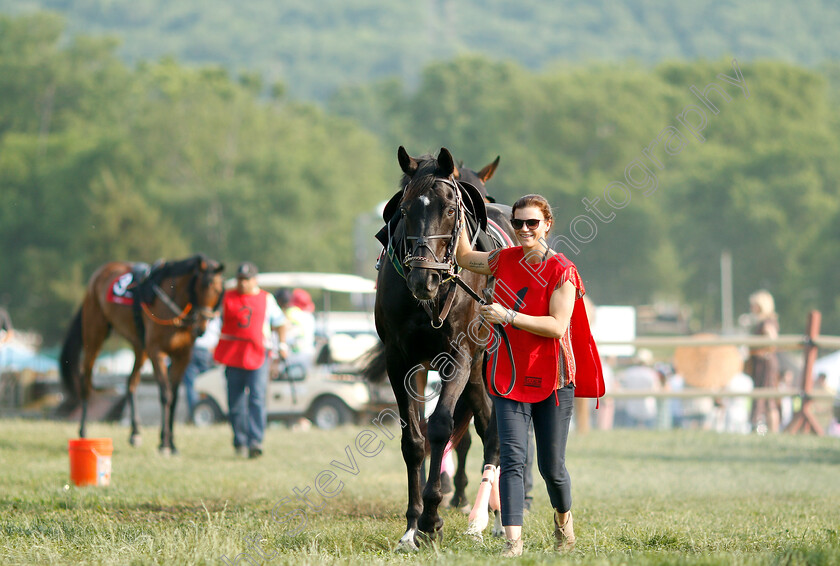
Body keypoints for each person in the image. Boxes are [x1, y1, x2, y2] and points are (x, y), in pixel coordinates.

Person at [456, 193, 603, 557]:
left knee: (552, 468)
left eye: (531, 223)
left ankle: (563, 523)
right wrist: (456, 205)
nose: (523, 229)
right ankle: (513, 543)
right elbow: (462, 257)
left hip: (553, 380)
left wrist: (507, 316)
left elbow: (556, 326)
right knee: (513, 460)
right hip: (509, 378)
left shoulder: (563, 270)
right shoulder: (502, 259)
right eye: (518, 222)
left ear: (547, 225)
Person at [214, 262, 288, 458]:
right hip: (233, 354)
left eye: (246, 279)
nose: (242, 283)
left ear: (254, 280)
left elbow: (280, 323)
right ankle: (240, 441)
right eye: (240, 279)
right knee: (235, 401)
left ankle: (256, 441)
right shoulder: (227, 297)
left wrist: (282, 345)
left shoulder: (266, 299)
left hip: (257, 354)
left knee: (256, 398)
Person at [746, 289, 780, 434]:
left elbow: (771, 337)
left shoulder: (766, 322)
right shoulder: (763, 321)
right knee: (765, 397)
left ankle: (772, 430)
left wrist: (761, 349)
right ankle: (768, 429)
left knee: (767, 398)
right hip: (761, 362)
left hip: (765, 362)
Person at [182, 315, 220, 418]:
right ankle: (205, 412)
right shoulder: (214, 317)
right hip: (207, 351)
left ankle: (195, 413)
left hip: (194, 349)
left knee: (191, 385)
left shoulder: (194, 315)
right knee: (207, 384)